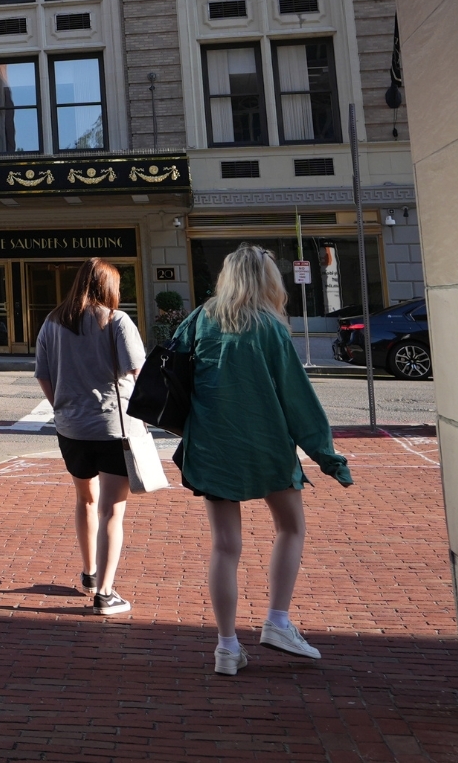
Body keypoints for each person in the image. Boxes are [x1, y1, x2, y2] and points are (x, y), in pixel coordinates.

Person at [177, 244, 354, 676]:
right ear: (269, 281)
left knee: (224, 545)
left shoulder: (202, 318)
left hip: (212, 447)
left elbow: (173, 372)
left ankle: (226, 647)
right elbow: (299, 401)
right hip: (267, 445)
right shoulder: (271, 329)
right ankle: (277, 620)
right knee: (290, 527)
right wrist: (328, 458)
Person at [32, 258, 145, 616]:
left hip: (71, 428)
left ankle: (91, 574)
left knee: (85, 500)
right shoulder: (117, 321)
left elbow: (43, 375)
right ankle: (106, 594)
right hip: (113, 426)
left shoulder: (52, 322)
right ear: (108, 287)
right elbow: (138, 373)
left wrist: (62, 407)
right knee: (113, 508)